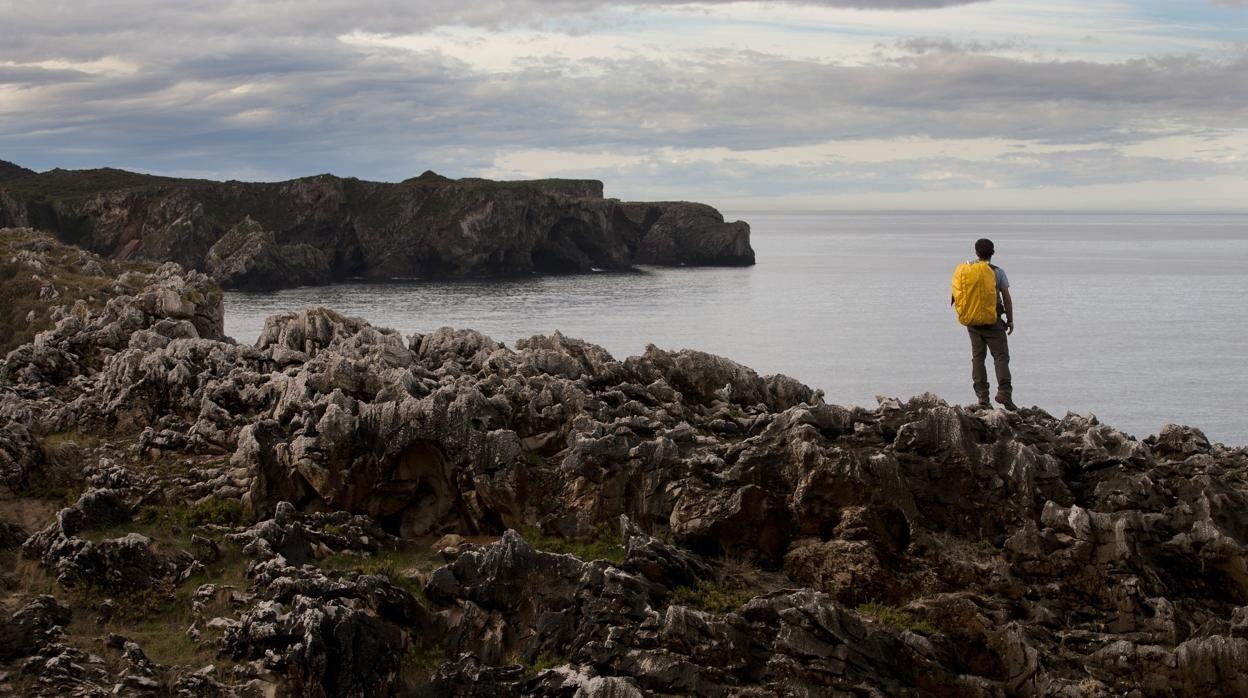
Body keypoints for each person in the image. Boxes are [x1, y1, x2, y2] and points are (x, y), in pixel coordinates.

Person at [956, 238, 1016, 410]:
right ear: (993, 253)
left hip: (973, 322)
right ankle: (1004, 393)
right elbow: (1006, 298)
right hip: (993, 321)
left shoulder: (967, 271)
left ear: (976, 252)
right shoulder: (997, 272)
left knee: (978, 357)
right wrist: (1010, 320)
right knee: (1000, 356)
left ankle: (983, 398)